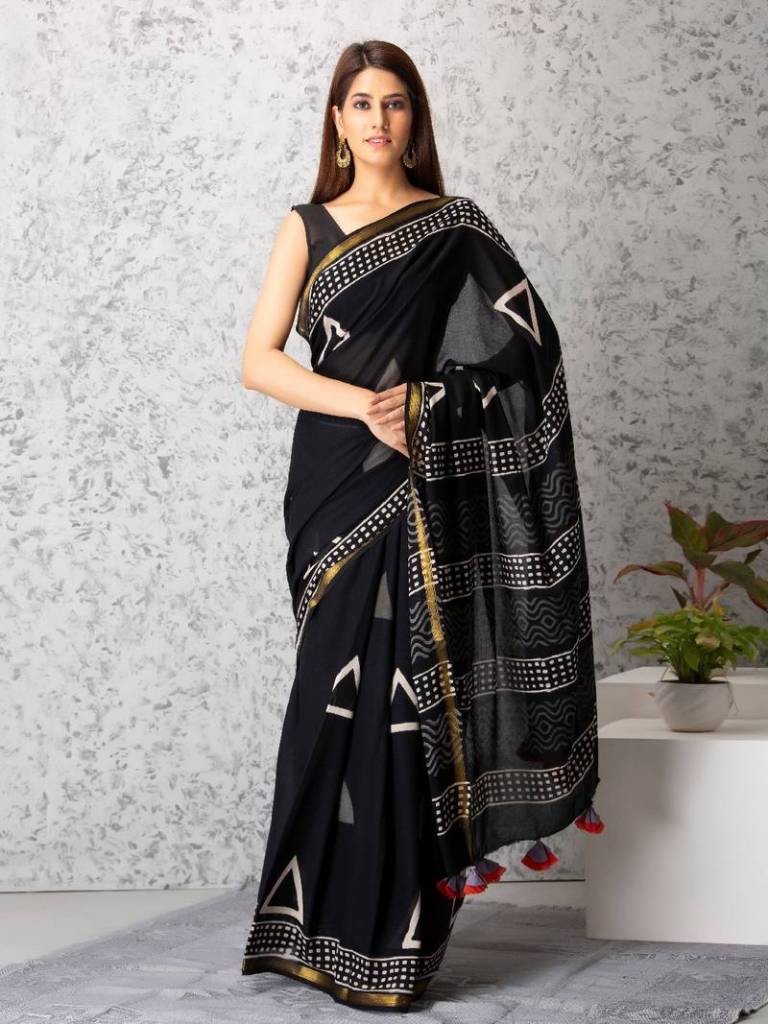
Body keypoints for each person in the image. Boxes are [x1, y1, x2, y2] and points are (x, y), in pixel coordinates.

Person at [239, 39, 603, 1012]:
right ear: (337, 119)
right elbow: (259, 360)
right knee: (329, 697)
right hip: (334, 487)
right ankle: (307, 923)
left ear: (415, 118)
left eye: (395, 103)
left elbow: (529, 356)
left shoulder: (454, 228)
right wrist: (365, 407)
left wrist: (430, 405)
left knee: (412, 704)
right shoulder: (307, 226)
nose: (378, 120)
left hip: (424, 481)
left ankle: (396, 943)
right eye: (362, 103)